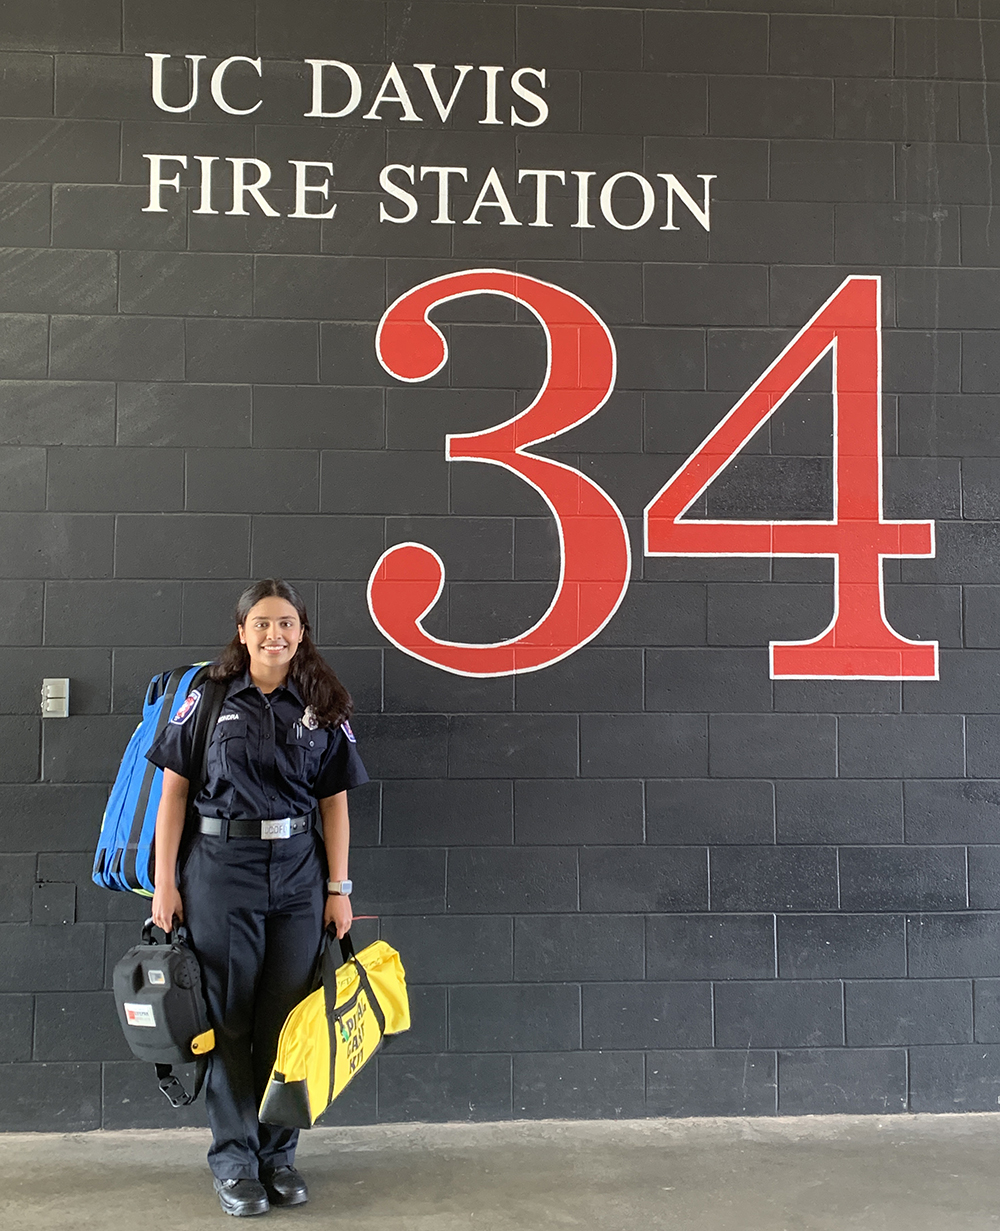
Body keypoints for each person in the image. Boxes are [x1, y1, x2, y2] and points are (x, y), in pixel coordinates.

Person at [147, 578, 368, 1217]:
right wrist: (166, 882)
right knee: (227, 1019)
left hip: (299, 874)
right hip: (220, 870)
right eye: (263, 623)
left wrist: (338, 888)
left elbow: (335, 805)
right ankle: (235, 1162)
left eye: (287, 624)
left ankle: (278, 1157)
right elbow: (174, 797)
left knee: (287, 1023)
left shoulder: (323, 702)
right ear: (242, 633)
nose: (275, 634)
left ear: (302, 633)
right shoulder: (208, 697)